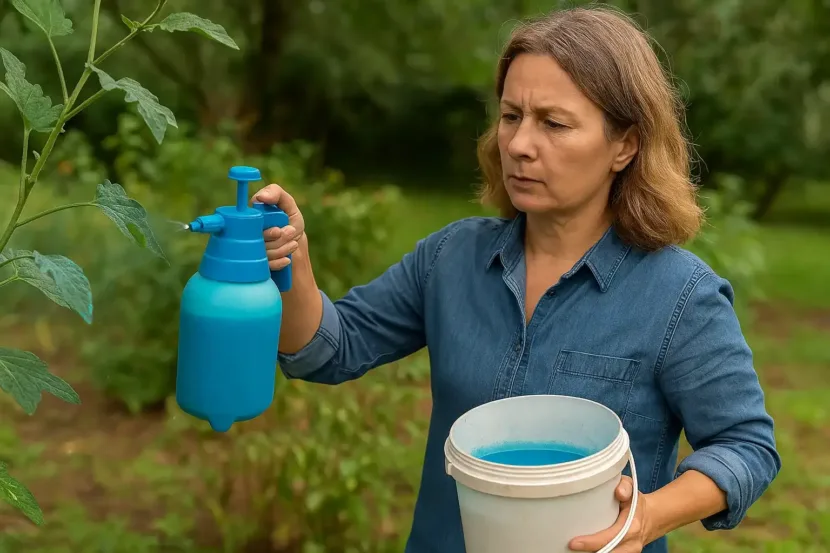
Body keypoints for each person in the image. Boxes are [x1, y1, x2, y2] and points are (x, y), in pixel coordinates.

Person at [252, 6, 781, 553]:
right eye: (511, 117)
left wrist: (647, 516)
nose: (521, 144)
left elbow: (745, 446)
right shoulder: (451, 258)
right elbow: (324, 350)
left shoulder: (679, 296)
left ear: (625, 145)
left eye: (554, 123)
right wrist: (292, 259)